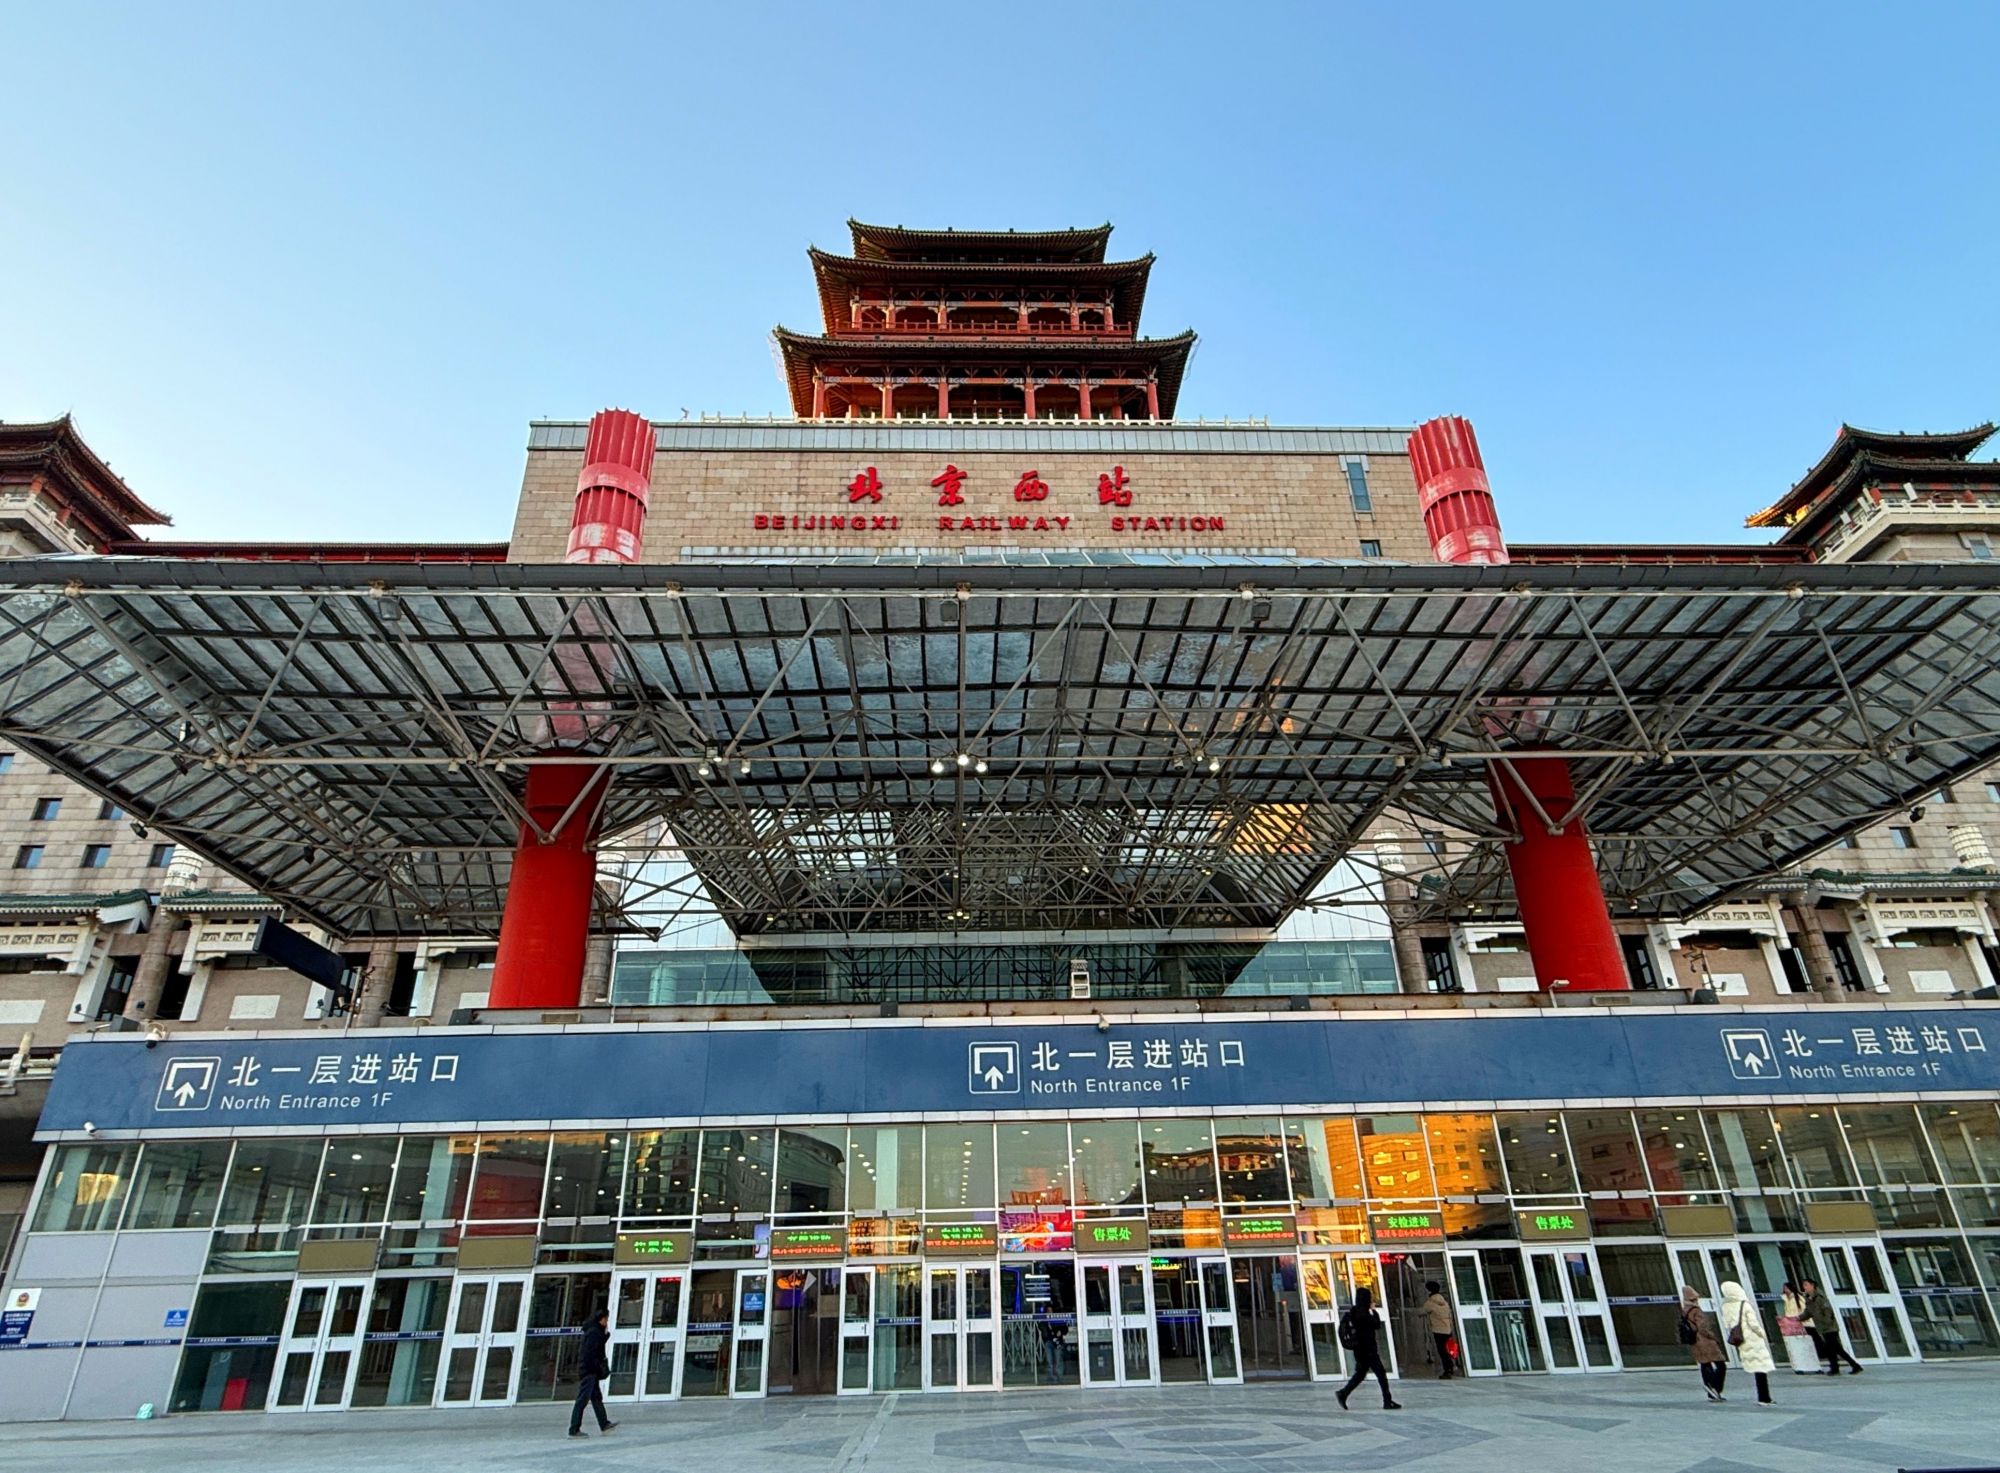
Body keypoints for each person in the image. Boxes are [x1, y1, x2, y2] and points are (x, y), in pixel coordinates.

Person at [1335, 1286, 1402, 1410]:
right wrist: (1374, 1311)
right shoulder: (1364, 1313)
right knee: (1381, 1374)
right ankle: (1387, 1401)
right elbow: (1376, 1324)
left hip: (1358, 1349)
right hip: (1368, 1349)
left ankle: (1343, 1393)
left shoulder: (1353, 1312)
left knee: (1360, 1374)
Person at [1717, 1281, 1774, 1405]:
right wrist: (1762, 1334)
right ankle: (1764, 1397)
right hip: (1753, 1339)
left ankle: (1763, 1397)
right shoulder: (1744, 1304)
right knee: (1761, 1368)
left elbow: (1727, 1324)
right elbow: (1753, 1324)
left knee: (1755, 1366)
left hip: (1742, 1340)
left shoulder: (1726, 1306)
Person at [568, 1308, 618, 1438]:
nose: (607, 1322)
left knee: (596, 1398)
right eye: (606, 1319)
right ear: (601, 1319)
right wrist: (597, 1367)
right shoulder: (593, 1333)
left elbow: (598, 1345)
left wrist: (606, 1335)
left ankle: (604, 1423)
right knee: (582, 1399)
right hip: (589, 1371)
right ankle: (574, 1429)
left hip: (591, 1371)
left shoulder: (595, 1332)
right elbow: (591, 1353)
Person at [1801, 1280, 1863, 1375]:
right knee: (1836, 1349)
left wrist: (1826, 1321)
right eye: (1804, 1285)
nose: (1804, 1287)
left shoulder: (1820, 1297)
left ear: (1812, 1285)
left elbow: (1827, 1311)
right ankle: (1853, 1366)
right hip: (1822, 1328)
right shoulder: (1809, 1299)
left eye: (1806, 1285)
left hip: (1830, 1327)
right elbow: (1808, 1312)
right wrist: (1798, 1318)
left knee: (1831, 1348)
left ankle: (1836, 1368)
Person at [1681, 1285, 1727, 1400]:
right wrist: (1713, 1337)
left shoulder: (1685, 1310)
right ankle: (1715, 1387)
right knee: (1721, 1365)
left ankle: (1710, 1389)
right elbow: (1703, 1328)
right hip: (1705, 1341)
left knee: (1705, 1364)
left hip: (1695, 1342)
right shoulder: (1696, 1310)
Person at [1778, 1282, 1819, 1374]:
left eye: (1786, 1288)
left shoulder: (1798, 1298)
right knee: (1797, 1345)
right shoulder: (1787, 1299)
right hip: (1792, 1325)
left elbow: (1804, 1310)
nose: (1785, 1290)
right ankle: (1802, 1365)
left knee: (1808, 1344)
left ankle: (1813, 1365)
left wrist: (1797, 1318)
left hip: (1803, 1324)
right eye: (1784, 1288)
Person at [1420, 1280, 1459, 1378]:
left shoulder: (1430, 1303)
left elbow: (1421, 1312)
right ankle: (1452, 1366)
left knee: (1442, 1351)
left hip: (1438, 1330)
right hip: (1448, 1329)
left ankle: (1447, 1370)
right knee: (1448, 1349)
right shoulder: (1444, 1302)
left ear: (1429, 1291)